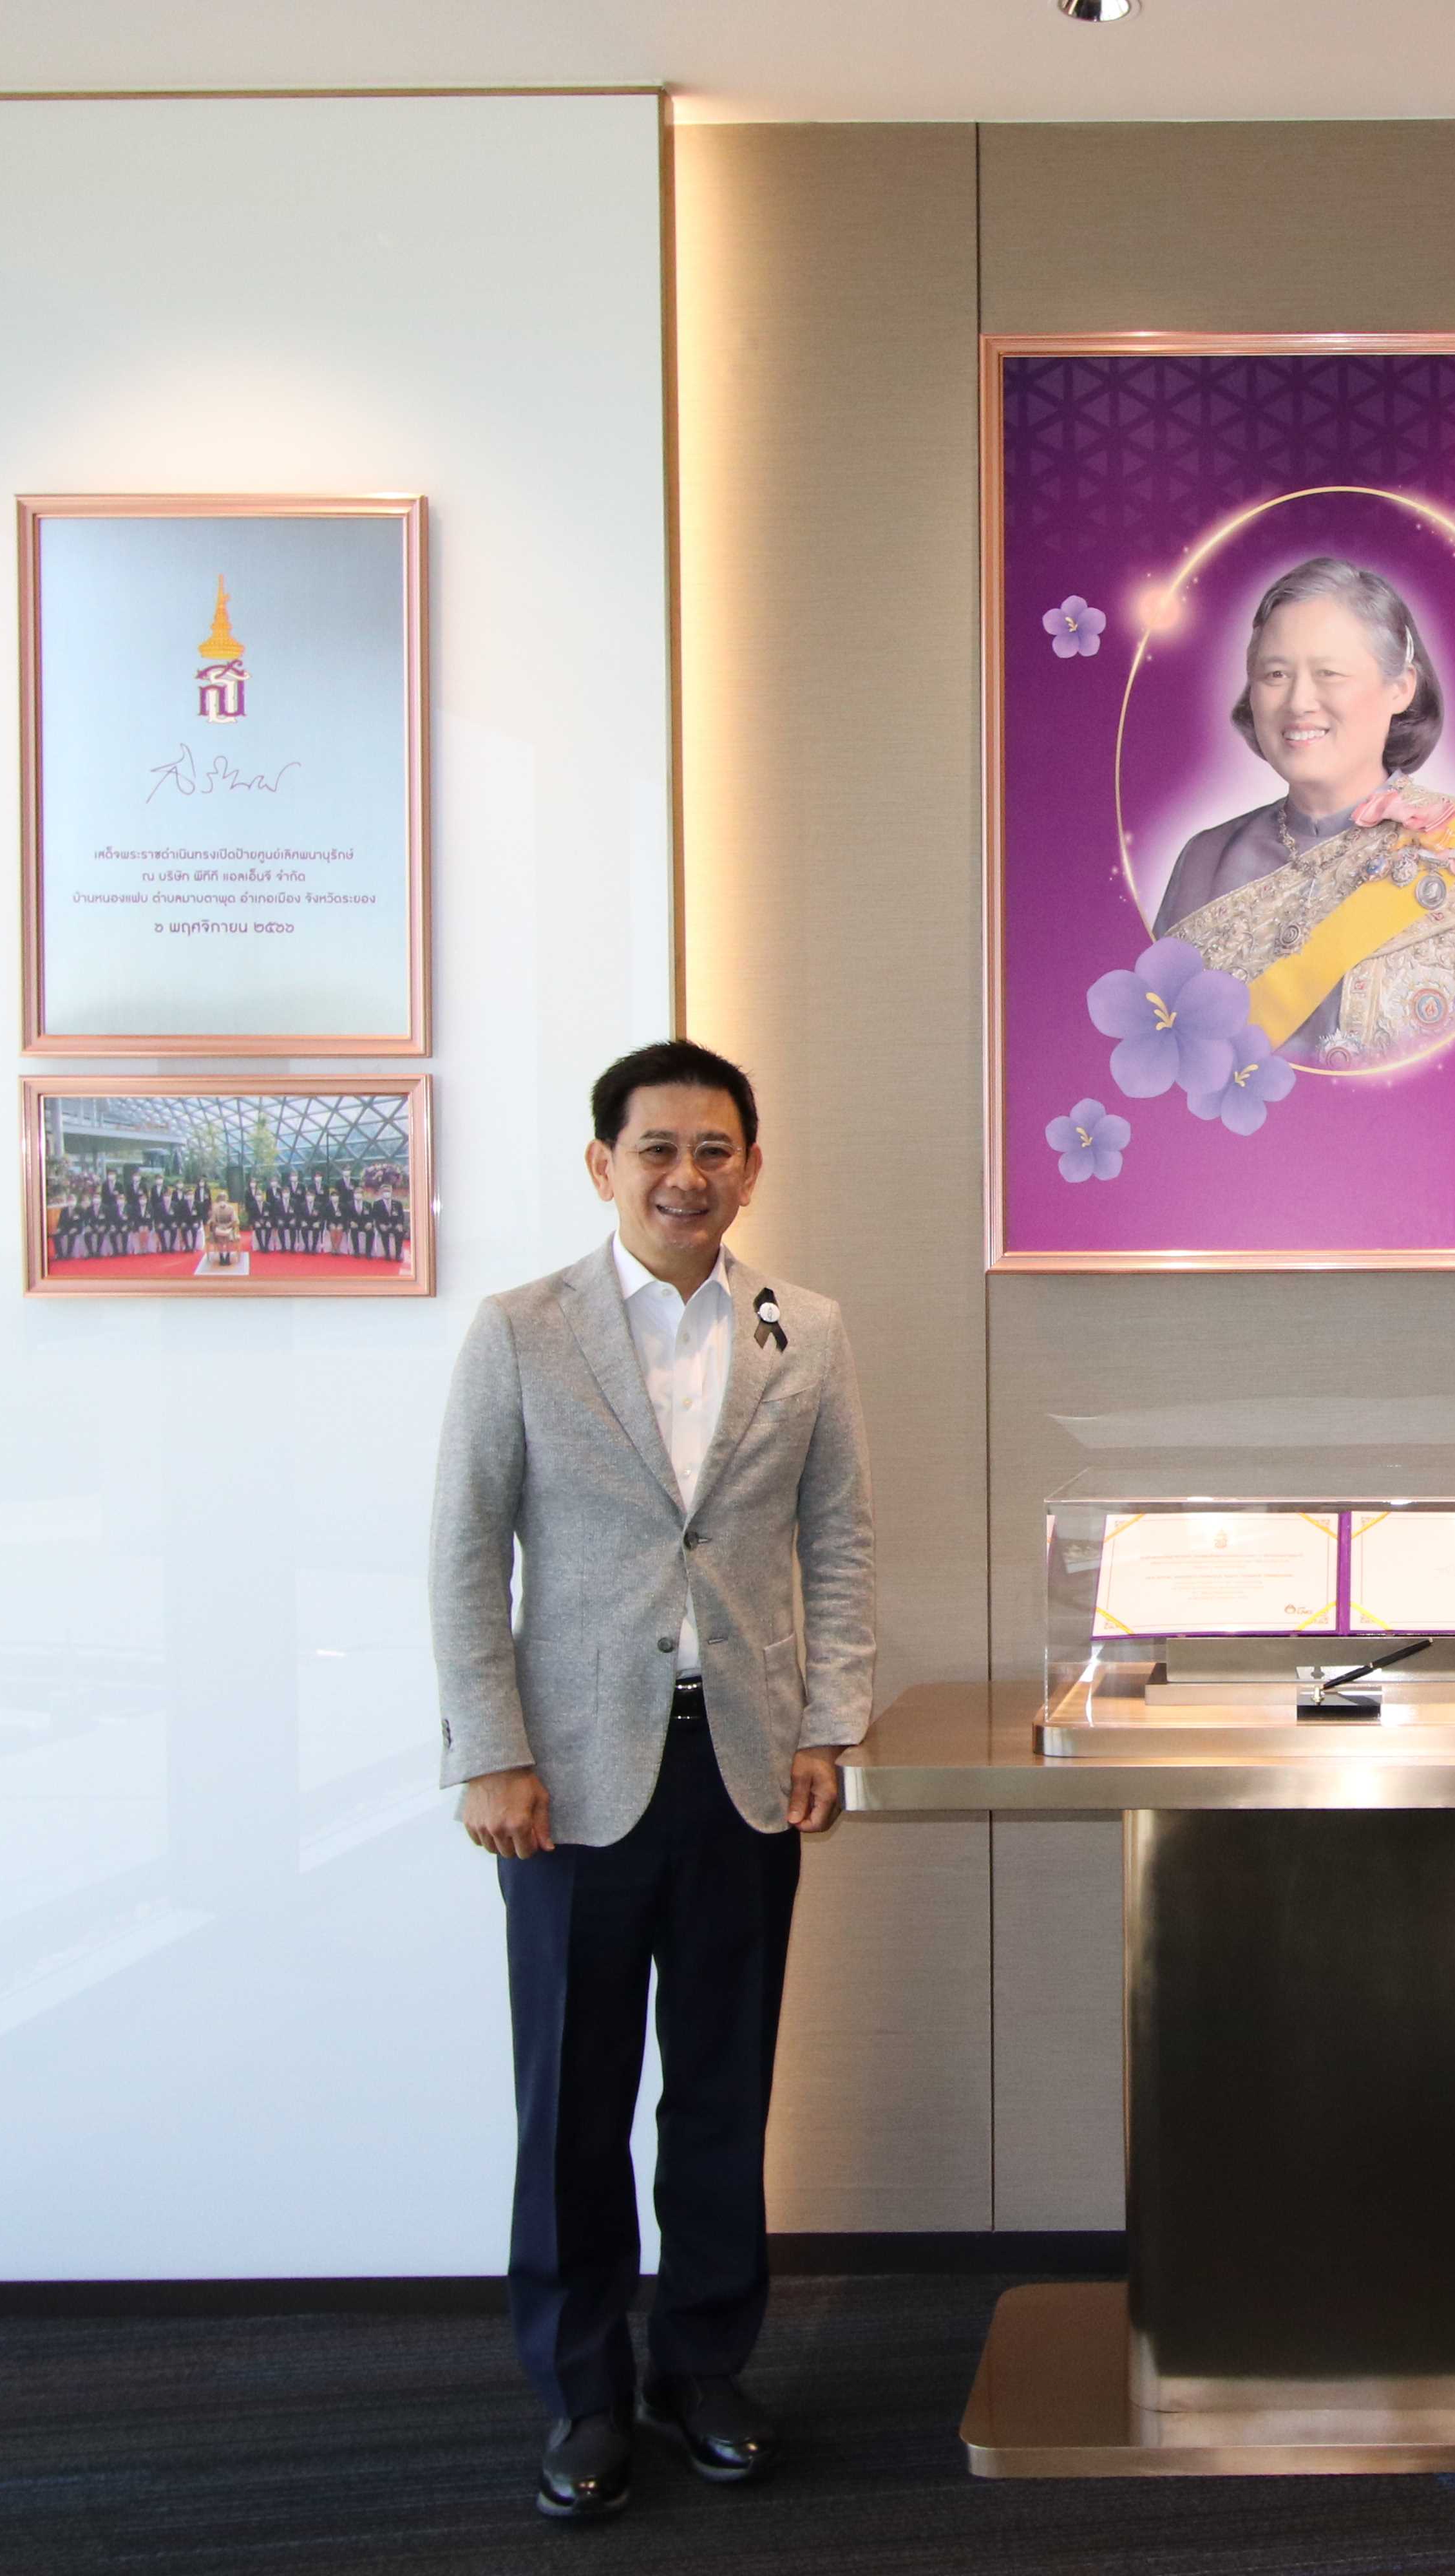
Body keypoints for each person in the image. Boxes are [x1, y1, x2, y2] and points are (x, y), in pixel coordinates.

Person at [432, 1037, 877, 2526]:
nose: (686, 1174)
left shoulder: (802, 1328)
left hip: (743, 1767)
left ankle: (704, 2369)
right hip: (567, 1780)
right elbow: (464, 1549)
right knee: (573, 2101)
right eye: (657, 1148)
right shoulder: (521, 1329)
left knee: (722, 2091)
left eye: (714, 1149)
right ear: (603, 1164)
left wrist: (828, 1721)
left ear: (751, 1166)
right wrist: (491, 1748)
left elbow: (840, 1541)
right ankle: (582, 2392)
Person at [1150, 556, 1455, 1070]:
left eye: (1329, 673)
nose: (1299, 702)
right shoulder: (1203, 859)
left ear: (1401, 688)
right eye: (1275, 674)